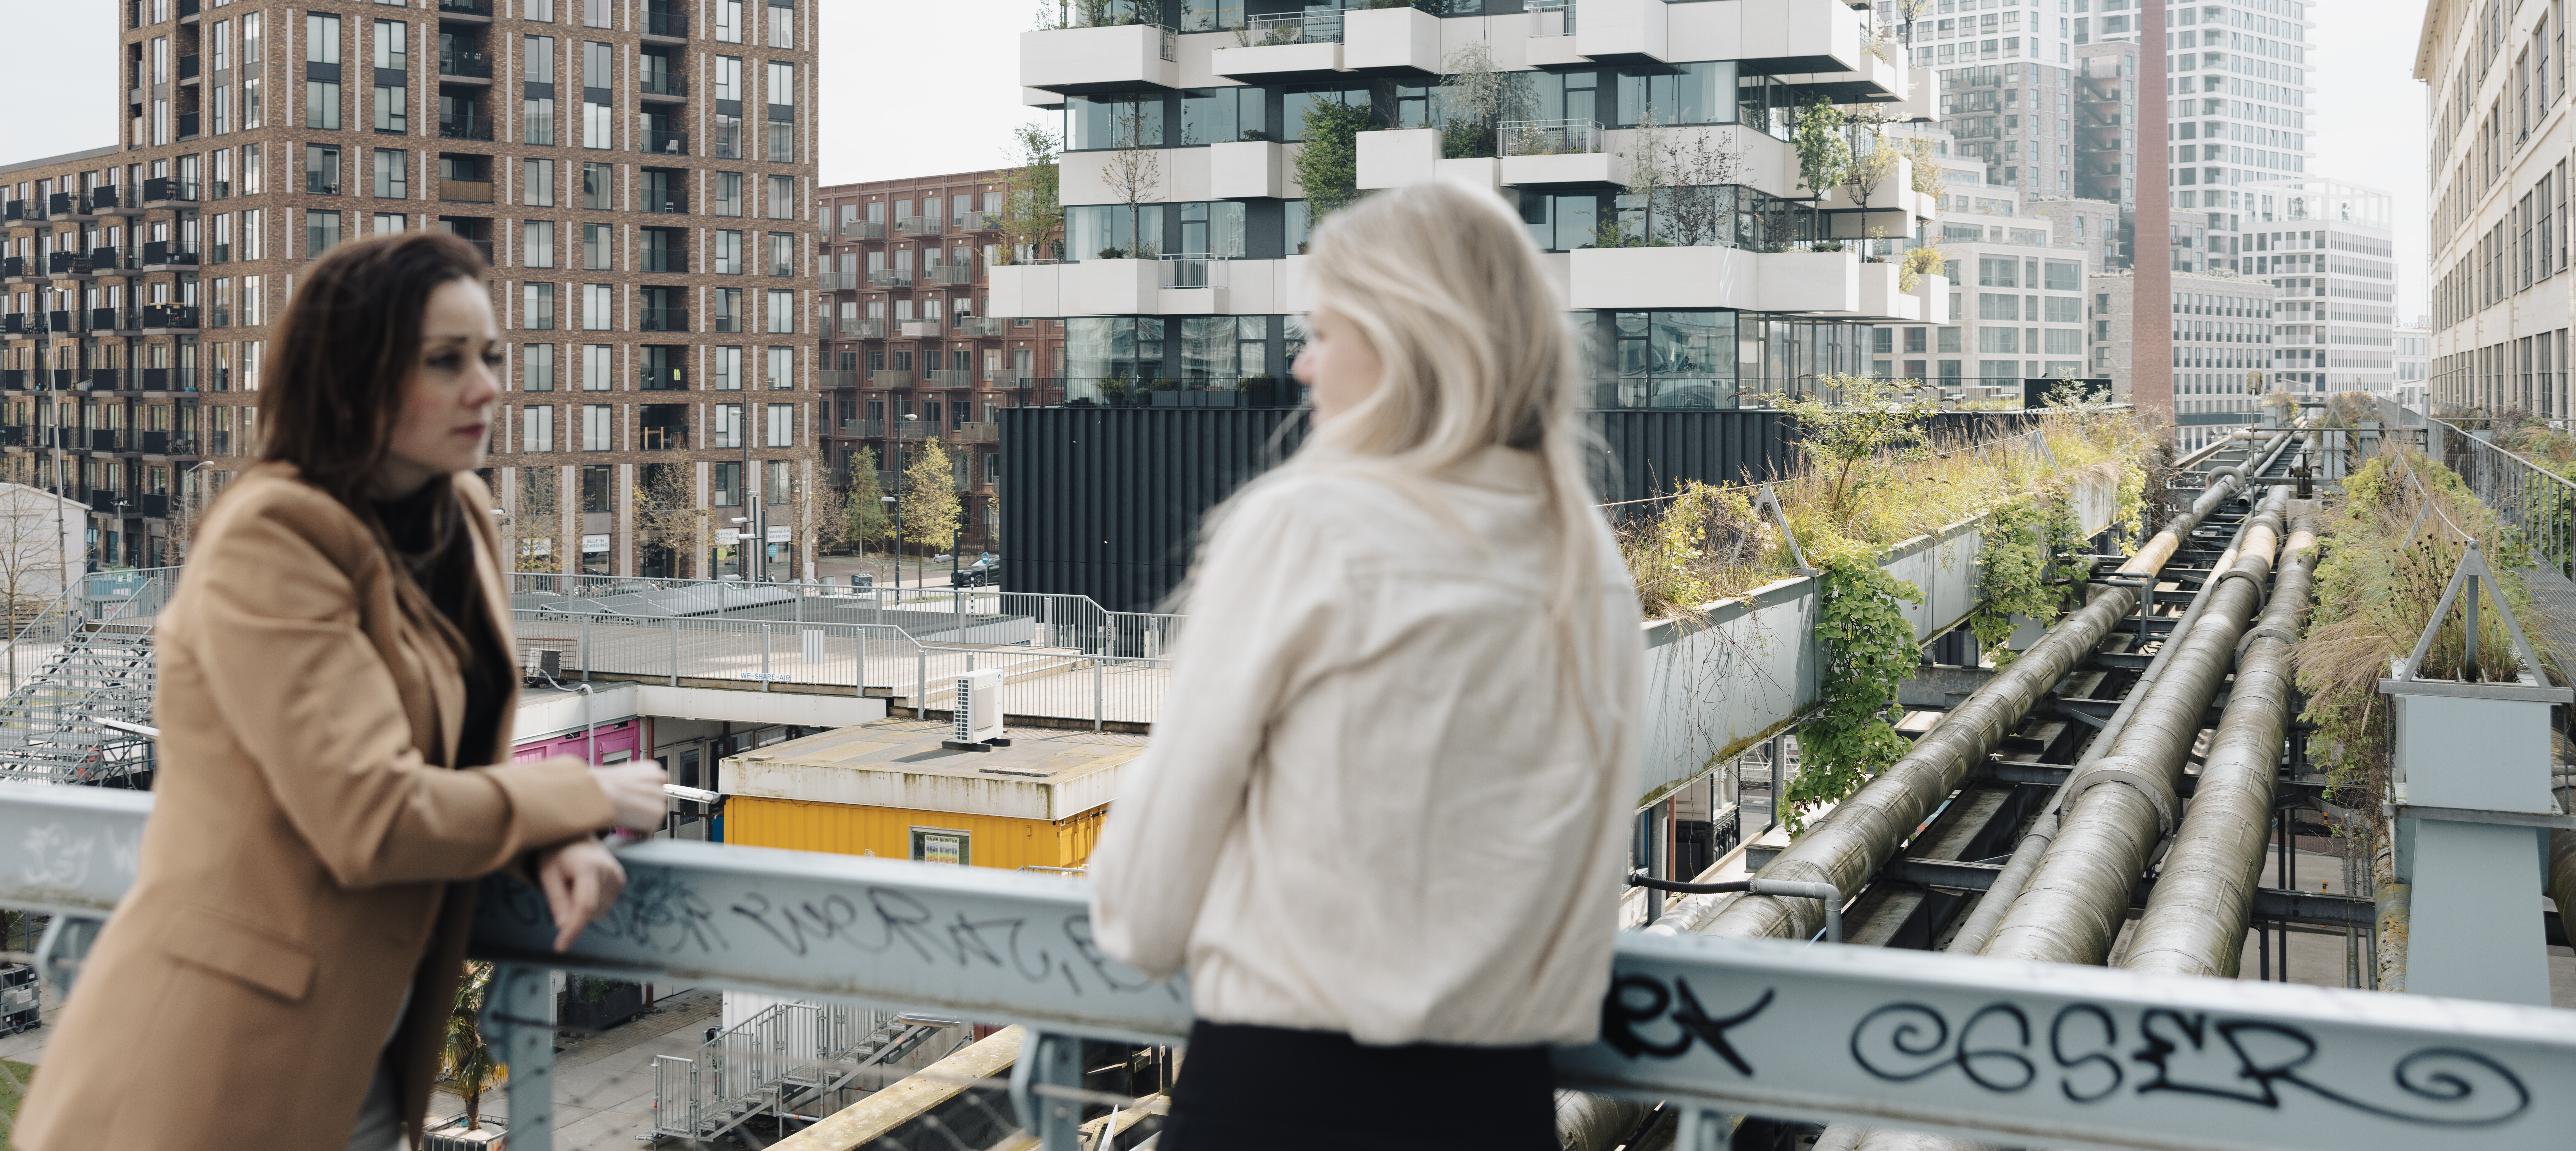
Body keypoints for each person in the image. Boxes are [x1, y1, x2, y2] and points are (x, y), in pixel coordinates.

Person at [14, 232, 668, 1151]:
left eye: (490, 356)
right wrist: (582, 791)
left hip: (361, 1059)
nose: (486, 387)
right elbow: (367, 813)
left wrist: (544, 839)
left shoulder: (463, 516)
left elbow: (446, 750)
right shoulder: (271, 538)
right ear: (356, 373)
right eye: (445, 361)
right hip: (209, 1065)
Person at [1086, 181, 1644, 1148]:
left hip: (1280, 1103)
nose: (1302, 366)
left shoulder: (1309, 527)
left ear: (1403, 342)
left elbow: (1142, 915)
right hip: (1502, 1111)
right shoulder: (1588, 562)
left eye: (1322, 331)